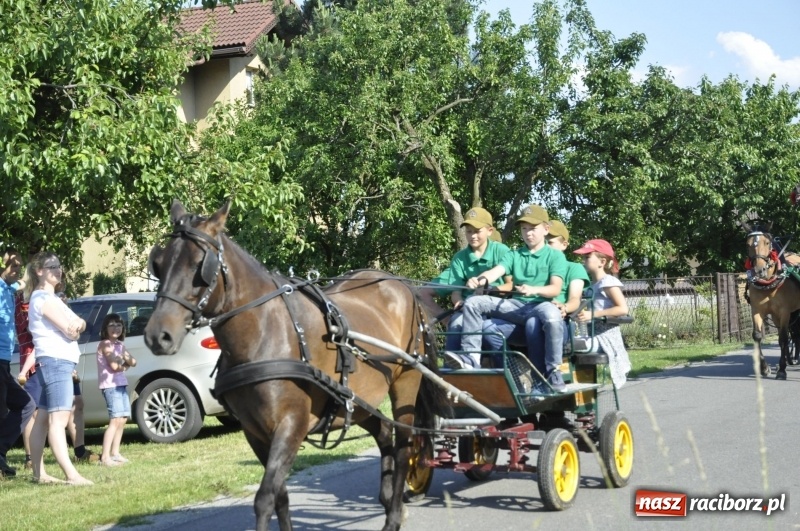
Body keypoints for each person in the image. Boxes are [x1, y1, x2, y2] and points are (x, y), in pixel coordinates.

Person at [458, 205, 568, 390]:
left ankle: (554, 371)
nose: (528, 233)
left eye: (532, 228)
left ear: (546, 229)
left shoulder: (556, 256)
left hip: (542, 305)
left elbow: (555, 289)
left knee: (552, 316)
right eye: (524, 229)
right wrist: (479, 280)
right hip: (516, 307)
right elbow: (496, 272)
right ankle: (471, 360)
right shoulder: (514, 254)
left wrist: (534, 290)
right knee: (473, 302)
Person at [482, 220, 590, 378]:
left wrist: (565, 307)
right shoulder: (530, 262)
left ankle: (542, 379)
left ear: (564, 245)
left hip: (560, 324)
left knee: (534, 323)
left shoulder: (574, 268)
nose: (546, 245)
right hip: (527, 320)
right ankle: (510, 377)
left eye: (551, 242)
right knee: (488, 327)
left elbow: (575, 300)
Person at [26, 252, 92, 485]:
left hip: (55, 362)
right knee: (58, 420)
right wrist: (75, 326)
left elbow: (81, 322)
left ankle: (39, 474)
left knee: (43, 418)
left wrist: (78, 324)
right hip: (55, 362)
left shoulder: (52, 299)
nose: (58, 269)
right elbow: (71, 330)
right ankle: (71, 474)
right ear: (39, 271)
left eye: (59, 265)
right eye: (51, 266)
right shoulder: (42, 299)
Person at [417, 207, 511, 368]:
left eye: (477, 231)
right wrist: (459, 301)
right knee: (455, 323)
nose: (473, 235)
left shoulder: (501, 251)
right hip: (469, 310)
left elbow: (511, 286)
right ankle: (451, 373)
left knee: (488, 330)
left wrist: (491, 289)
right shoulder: (460, 258)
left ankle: (503, 372)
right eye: (469, 231)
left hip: (497, 309)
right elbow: (456, 292)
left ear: (490, 231)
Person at [572, 239, 632, 388]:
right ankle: (581, 392)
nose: (583, 261)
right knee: (566, 344)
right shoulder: (588, 286)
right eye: (583, 258)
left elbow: (623, 309)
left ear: (602, 261)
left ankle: (583, 392)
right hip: (590, 334)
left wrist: (593, 314)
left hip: (605, 337)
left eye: (587, 257)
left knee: (574, 346)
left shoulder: (608, 282)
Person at [0, 248, 35, 478]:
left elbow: (25, 281)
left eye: (19, 266)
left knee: (26, 404)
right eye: (12, 265)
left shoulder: (10, 288)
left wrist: (39, 269)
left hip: (3, 359)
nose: (17, 270)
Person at [96, 313, 136, 466]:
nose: (115, 328)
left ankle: (115, 453)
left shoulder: (120, 345)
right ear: (105, 328)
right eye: (111, 325)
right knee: (114, 420)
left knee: (123, 419)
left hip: (120, 384)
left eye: (118, 325)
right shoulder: (105, 344)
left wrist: (123, 363)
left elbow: (134, 361)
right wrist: (123, 364)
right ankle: (105, 457)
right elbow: (113, 366)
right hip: (110, 386)